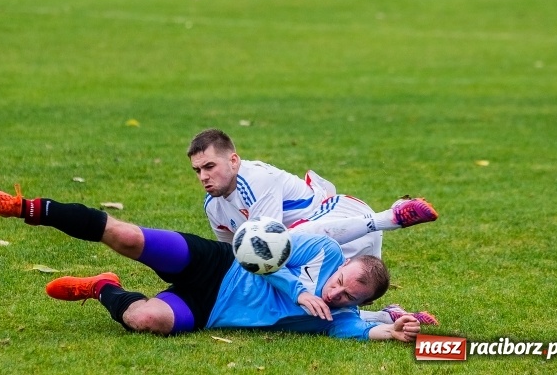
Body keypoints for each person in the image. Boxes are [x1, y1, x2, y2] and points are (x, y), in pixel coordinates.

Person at [0, 186, 421, 341]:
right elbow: (264, 254)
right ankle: (25, 207)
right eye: (340, 282)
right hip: (218, 263)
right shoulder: (323, 251)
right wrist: (300, 290)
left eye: (347, 296)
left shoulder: (339, 319)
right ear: (343, 266)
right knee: (127, 237)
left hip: (208, 311)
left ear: (357, 302)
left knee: (146, 319)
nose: (336, 293)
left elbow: (371, 331)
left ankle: (101, 287)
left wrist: (395, 330)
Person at [188, 128, 439, 325]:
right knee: (320, 300)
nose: (203, 177)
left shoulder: (256, 180)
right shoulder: (213, 206)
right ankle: (387, 317)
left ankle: (392, 217)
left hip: (344, 218)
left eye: (209, 166)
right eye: (197, 170)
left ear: (233, 160)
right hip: (332, 250)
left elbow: (268, 250)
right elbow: (233, 257)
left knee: (279, 245)